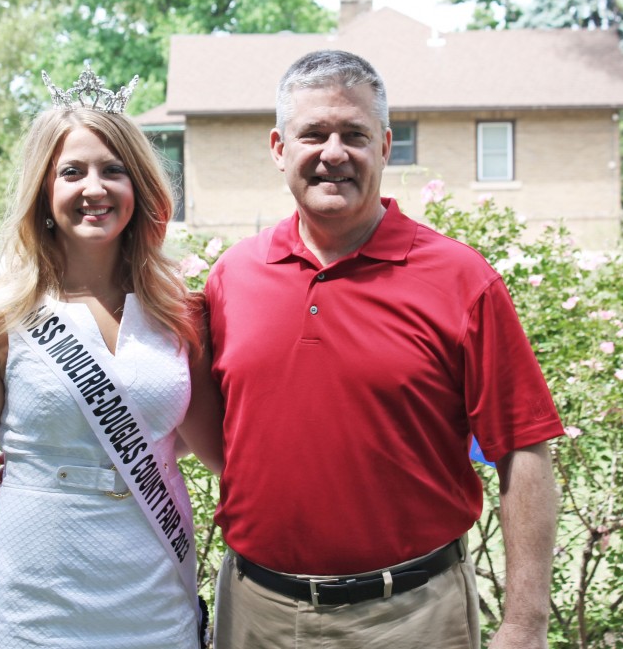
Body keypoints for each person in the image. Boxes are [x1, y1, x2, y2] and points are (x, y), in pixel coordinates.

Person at [205, 50, 564, 648]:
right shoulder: (232, 278)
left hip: (412, 618)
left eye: (355, 135)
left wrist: (526, 624)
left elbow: (523, 448)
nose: (334, 153)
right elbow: (224, 431)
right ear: (278, 148)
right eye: (313, 134)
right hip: (255, 614)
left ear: (385, 146)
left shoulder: (460, 280)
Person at [0, 66, 223, 649]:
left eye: (113, 170)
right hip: (36, 597)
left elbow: (200, 440)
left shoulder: (177, 313)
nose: (94, 188)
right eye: (72, 172)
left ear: (139, 188)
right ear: (44, 192)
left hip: (154, 592)